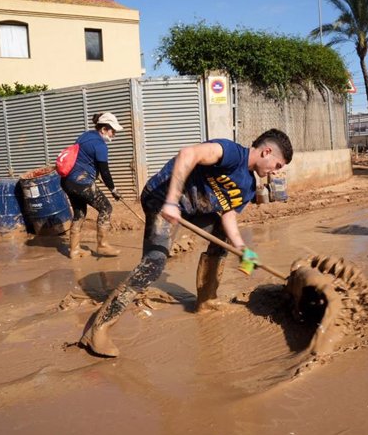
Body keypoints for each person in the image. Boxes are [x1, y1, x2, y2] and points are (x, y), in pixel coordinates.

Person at [80, 128, 293, 357]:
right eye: (278, 165)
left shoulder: (248, 187)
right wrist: (172, 201)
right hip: (162, 198)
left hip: (191, 210)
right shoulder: (231, 152)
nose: (274, 173)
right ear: (267, 151)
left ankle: (206, 301)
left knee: (223, 239)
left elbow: (228, 213)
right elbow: (187, 154)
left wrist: (241, 248)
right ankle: (98, 329)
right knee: (154, 263)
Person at [61, 112, 123, 259]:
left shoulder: (86, 135)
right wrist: (114, 190)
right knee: (106, 207)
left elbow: (83, 156)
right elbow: (105, 172)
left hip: (67, 181)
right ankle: (102, 246)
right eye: (112, 131)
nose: (114, 134)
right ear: (103, 129)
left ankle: (74, 250)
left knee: (79, 213)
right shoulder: (100, 145)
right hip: (80, 182)